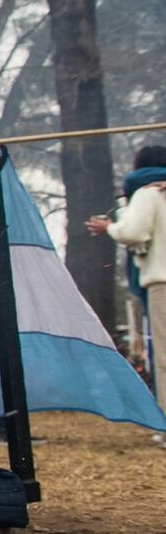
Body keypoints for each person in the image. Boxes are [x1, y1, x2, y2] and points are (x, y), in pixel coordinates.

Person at [90, 142, 166, 432]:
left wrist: (109, 227)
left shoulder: (148, 193)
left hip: (162, 281)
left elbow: (134, 231)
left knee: (164, 357)